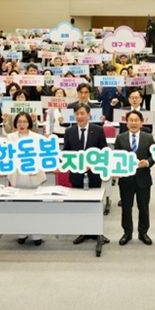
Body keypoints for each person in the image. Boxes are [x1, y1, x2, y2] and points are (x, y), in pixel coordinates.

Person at [62, 103, 110, 245]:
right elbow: (66, 152)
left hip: (93, 174)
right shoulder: (69, 131)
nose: (80, 116)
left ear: (89, 115)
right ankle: (83, 231)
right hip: (76, 174)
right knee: (80, 204)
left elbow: (104, 151)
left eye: (82, 113)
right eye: (77, 114)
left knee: (95, 203)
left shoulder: (98, 130)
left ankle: (97, 232)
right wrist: (74, 162)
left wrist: (93, 164)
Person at [4, 112, 47, 246]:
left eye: (24, 121)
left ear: (29, 123)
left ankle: (37, 235)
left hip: (32, 176)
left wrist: (36, 168)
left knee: (35, 207)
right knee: (19, 207)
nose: (21, 124)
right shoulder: (10, 137)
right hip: (17, 176)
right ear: (15, 124)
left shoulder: (38, 138)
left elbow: (43, 157)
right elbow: (7, 157)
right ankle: (21, 233)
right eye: (19, 122)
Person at [114, 110, 155, 246]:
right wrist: (116, 170)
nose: (133, 123)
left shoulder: (148, 137)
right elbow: (115, 157)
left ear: (141, 122)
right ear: (126, 123)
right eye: (130, 120)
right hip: (126, 179)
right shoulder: (120, 138)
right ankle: (127, 233)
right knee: (126, 207)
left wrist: (147, 162)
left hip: (143, 179)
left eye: (136, 120)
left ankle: (143, 233)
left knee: (144, 207)